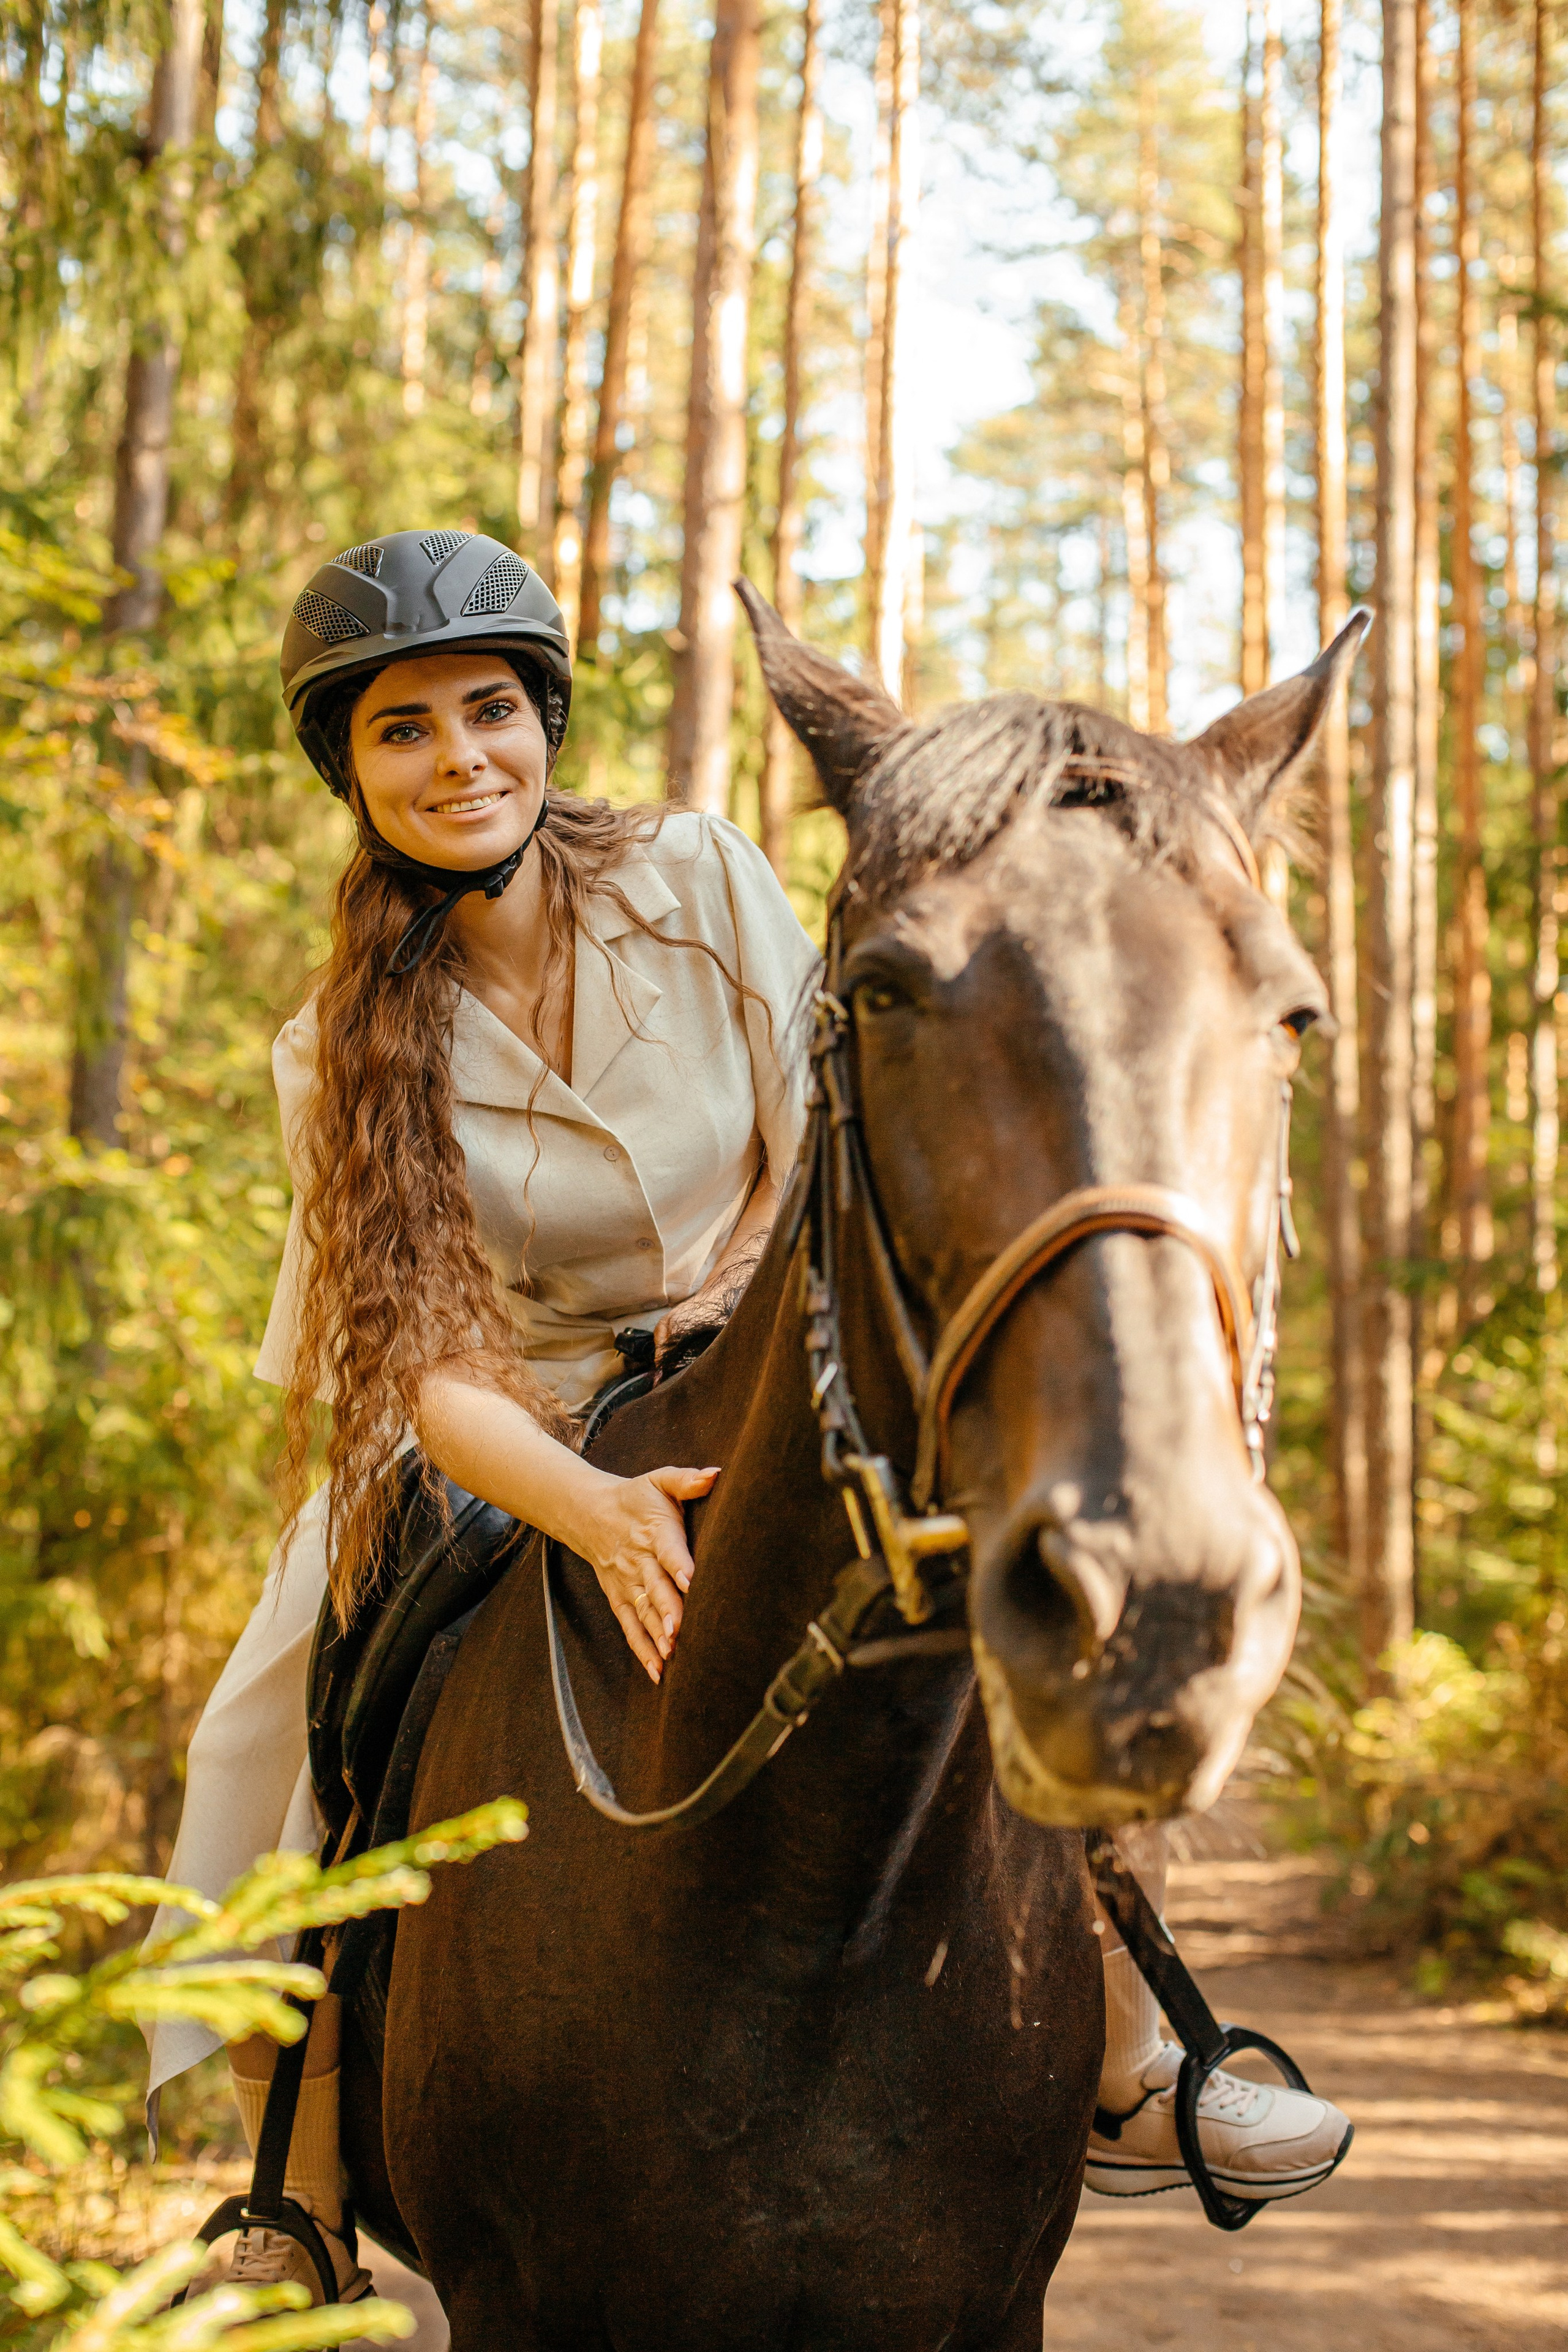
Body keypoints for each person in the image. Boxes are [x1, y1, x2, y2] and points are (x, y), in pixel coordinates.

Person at [142, 530, 1348, 2308]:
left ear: (545, 725)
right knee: (279, 1702)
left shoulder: (696, 876)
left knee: (989, 1539)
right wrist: (597, 1510)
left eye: (492, 710)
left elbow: (832, 1112)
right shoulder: (337, 1038)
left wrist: (754, 1322)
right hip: (514, 1415)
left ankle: (1129, 2045)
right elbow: (420, 1359)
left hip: (765, 1323)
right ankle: (294, 2191)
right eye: (405, 729)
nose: (461, 756)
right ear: (355, 769)